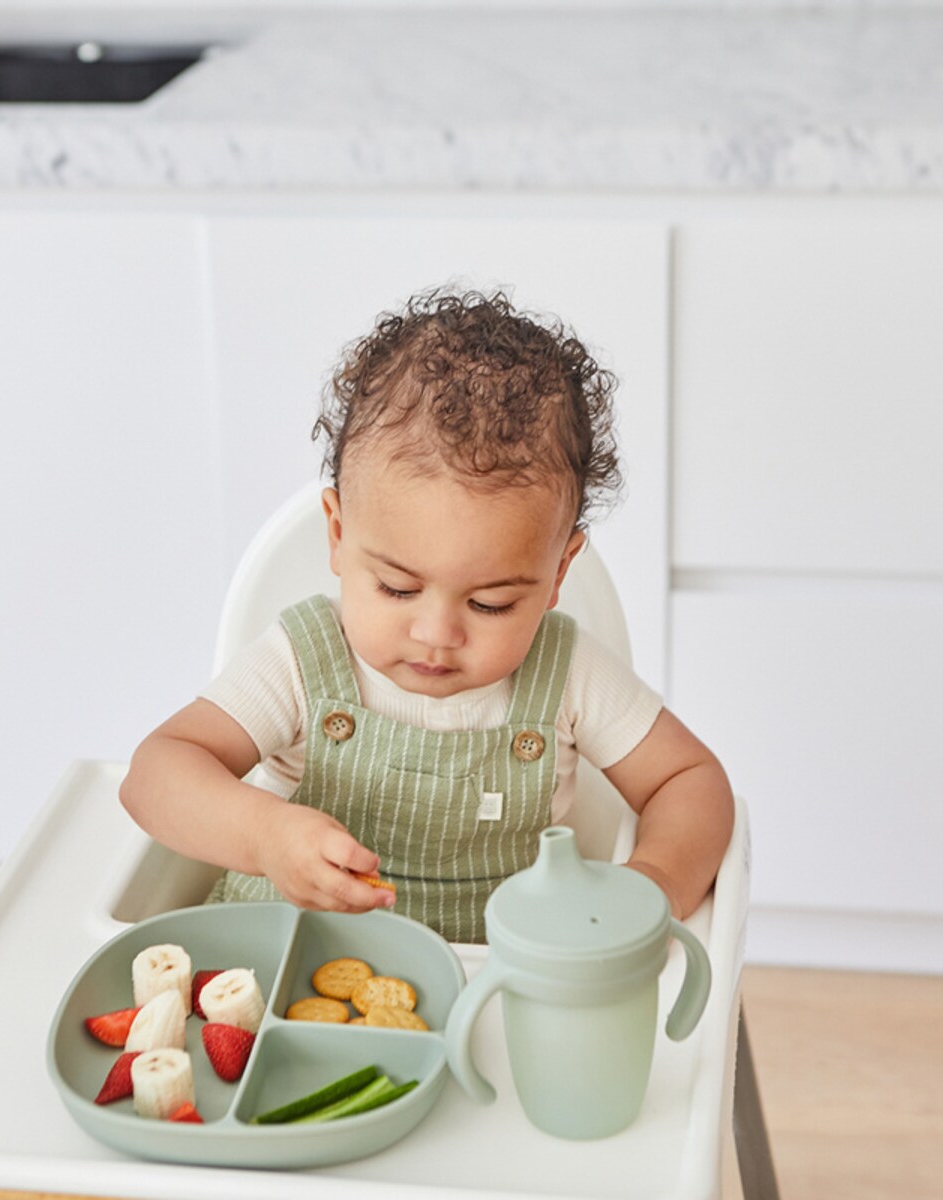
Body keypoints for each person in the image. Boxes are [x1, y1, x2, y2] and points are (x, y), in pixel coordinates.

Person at [120, 288, 734, 943]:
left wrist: (650, 886)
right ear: (337, 534)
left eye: (490, 603)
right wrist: (263, 834)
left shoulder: (569, 672)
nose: (437, 635)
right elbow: (154, 775)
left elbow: (689, 781)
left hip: (487, 982)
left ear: (559, 572)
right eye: (396, 588)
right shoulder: (301, 661)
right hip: (287, 958)